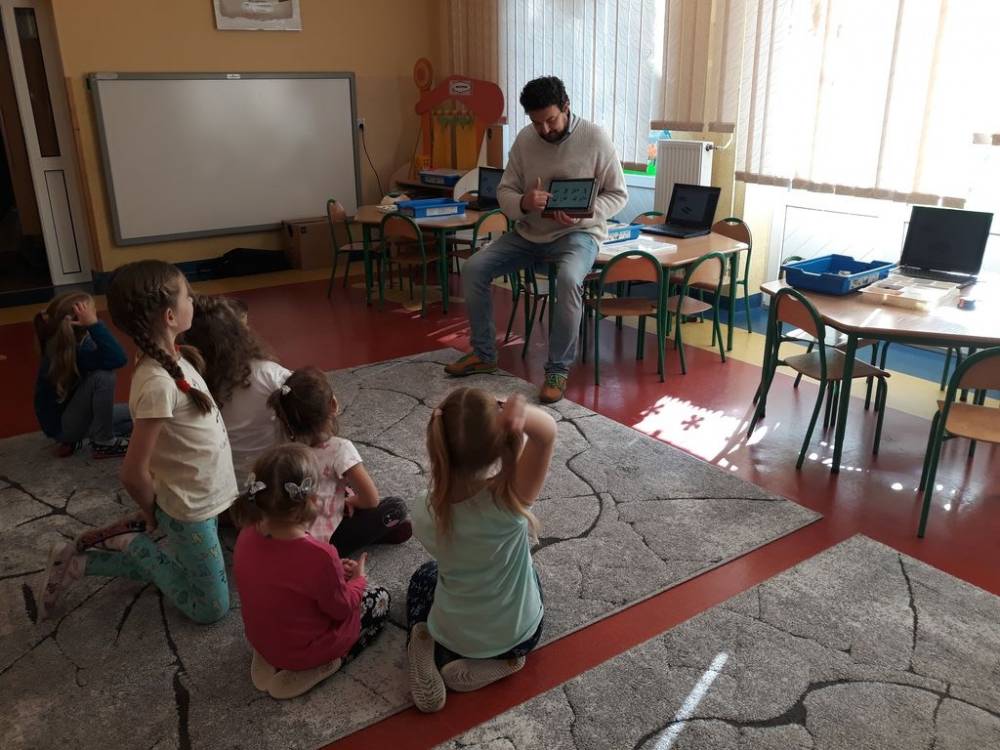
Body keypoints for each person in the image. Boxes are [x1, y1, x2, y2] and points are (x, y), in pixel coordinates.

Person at [37, 261, 237, 624]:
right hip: (188, 507)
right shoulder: (157, 382)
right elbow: (132, 472)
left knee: (190, 573)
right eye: (187, 296)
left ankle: (79, 562)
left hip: (200, 497)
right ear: (170, 316)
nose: (193, 300)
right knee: (211, 608)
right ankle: (128, 544)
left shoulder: (171, 357)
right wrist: (150, 511)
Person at [445, 76, 628, 403]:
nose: (544, 129)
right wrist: (524, 202)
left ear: (566, 107)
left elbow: (618, 194)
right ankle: (484, 354)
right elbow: (505, 191)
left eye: (551, 120)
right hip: (529, 233)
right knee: (474, 268)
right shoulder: (525, 139)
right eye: (536, 122)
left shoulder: (595, 138)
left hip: (578, 234)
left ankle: (557, 369)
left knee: (569, 279)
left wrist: (584, 215)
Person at [406, 388, 556, 712]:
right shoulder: (510, 501)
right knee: (530, 574)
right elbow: (546, 435)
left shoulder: (423, 511)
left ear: (437, 445)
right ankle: (505, 660)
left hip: (453, 636)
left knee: (423, 577)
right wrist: (519, 412)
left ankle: (421, 638)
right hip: (520, 635)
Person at [232, 444, 391, 699]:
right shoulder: (320, 555)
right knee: (380, 597)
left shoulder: (246, 534)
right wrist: (358, 580)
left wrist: (334, 571)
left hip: (261, 638)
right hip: (304, 650)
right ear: (313, 500)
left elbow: (283, 576)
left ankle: (269, 656)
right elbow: (341, 608)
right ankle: (323, 664)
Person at [269, 366, 412, 555]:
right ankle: (376, 533)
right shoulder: (340, 449)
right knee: (396, 506)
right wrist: (350, 501)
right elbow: (370, 499)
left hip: (290, 537)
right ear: (333, 405)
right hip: (324, 546)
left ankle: (375, 530)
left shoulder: (284, 452)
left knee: (344, 488)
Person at [181, 294, 289, 485]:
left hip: (221, 483)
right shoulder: (270, 375)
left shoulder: (186, 381)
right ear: (240, 334)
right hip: (274, 478)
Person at [32, 292, 131, 458]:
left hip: (73, 419)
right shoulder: (75, 352)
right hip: (65, 427)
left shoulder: (67, 343)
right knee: (104, 376)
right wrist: (94, 325)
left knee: (139, 415)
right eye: (92, 312)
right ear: (79, 320)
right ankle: (103, 442)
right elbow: (118, 358)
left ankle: (91, 435)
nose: (95, 315)